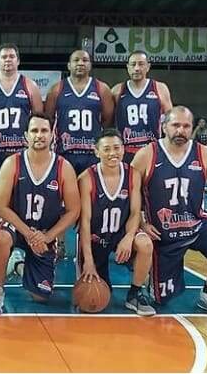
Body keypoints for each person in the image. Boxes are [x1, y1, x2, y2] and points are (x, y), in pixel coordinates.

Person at [132, 106, 207, 317]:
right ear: (164, 127)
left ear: (192, 129)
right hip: (162, 232)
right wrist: (142, 224)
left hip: (196, 225)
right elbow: (131, 194)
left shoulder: (204, 153)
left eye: (186, 126)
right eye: (175, 125)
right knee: (161, 299)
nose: (180, 130)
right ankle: (149, 283)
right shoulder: (147, 154)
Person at [0, 112, 80, 316]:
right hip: (17, 227)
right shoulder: (12, 163)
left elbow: (73, 211)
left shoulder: (64, 167)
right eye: (34, 131)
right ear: (26, 135)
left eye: (44, 130)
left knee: (40, 296)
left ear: (53, 134)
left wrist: (48, 236)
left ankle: (18, 264)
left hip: (45, 232)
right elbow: (1, 207)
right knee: (0, 237)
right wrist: (28, 233)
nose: (39, 135)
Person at [0, 43, 44, 261]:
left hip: (22, 154)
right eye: (4, 57)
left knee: (22, 199)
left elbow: (39, 117)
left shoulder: (29, 86)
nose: (8, 60)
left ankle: (22, 240)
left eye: (12, 56)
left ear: (18, 60)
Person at [76, 128, 155, 316]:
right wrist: (88, 261)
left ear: (124, 149)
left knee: (145, 244)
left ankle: (135, 294)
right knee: (94, 300)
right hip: (96, 237)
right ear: (97, 152)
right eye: (107, 149)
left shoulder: (133, 174)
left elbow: (136, 212)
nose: (113, 153)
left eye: (117, 148)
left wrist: (128, 238)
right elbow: (84, 222)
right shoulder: (86, 178)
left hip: (121, 232)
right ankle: (88, 265)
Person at [45, 48, 114, 260]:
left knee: (91, 204)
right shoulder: (58, 89)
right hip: (64, 155)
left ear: (90, 64)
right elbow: (48, 118)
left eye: (85, 60)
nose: (80, 64)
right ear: (69, 65)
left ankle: (87, 246)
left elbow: (108, 119)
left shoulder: (101, 89)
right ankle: (60, 243)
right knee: (59, 203)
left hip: (91, 157)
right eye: (76, 60)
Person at [112, 50, 172, 164]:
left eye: (141, 64)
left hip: (152, 150)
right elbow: (108, 122)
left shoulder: (159, 88)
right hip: (125, 151)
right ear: (127, 67)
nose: (137, 68)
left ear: (148, 66)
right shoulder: (117, 90)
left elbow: (171, 122)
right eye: (133, 64)